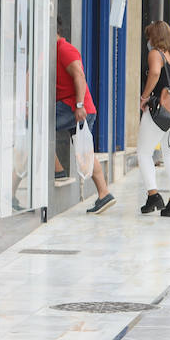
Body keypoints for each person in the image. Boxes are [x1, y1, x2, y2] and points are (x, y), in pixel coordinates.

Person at [54, 19, 116, 214]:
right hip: (74, 107)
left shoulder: (64, 49)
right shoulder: (51, 50)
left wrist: (79, 105)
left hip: (76, 108)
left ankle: (58, 170)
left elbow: (79, 76)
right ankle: (104, 194)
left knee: (37, 127)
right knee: (84, 154)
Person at [136, 20, 170, 218]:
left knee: (143, 152)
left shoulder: (155, 53)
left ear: (154, 37)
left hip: (158, 112)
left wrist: (144, 96)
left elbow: (155, 72)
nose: (148, 41)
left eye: (149, 36)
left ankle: (153, 195)